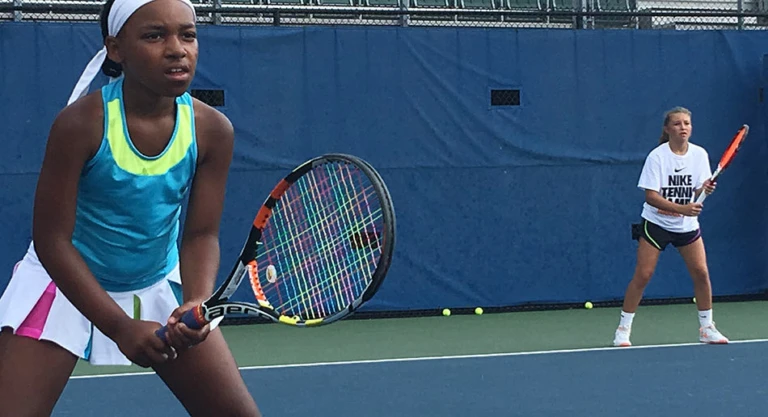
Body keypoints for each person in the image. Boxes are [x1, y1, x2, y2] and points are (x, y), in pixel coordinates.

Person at [0, 1, 261, 415]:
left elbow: (200, 234)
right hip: (63, 283)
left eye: (187, 35)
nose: (177, 49)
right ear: (115, 49)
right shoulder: (80, 124)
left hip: (156, 281)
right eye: (154, 36)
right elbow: (51, 241)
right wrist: (119, 327)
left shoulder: (213, 130)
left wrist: (196, 300)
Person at [613, 106, 729, 347]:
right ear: (667, 129)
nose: (683, 127)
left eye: (686, 123)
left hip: (687, 226)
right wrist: (682, 209)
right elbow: (651, 196)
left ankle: (707, 327)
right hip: (656, 224)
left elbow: (697, 191)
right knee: (643, 275)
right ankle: (623, 329)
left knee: (701, 273)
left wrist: (703, 190)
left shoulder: (699, 155)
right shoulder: (657, 157)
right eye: (677, 124)